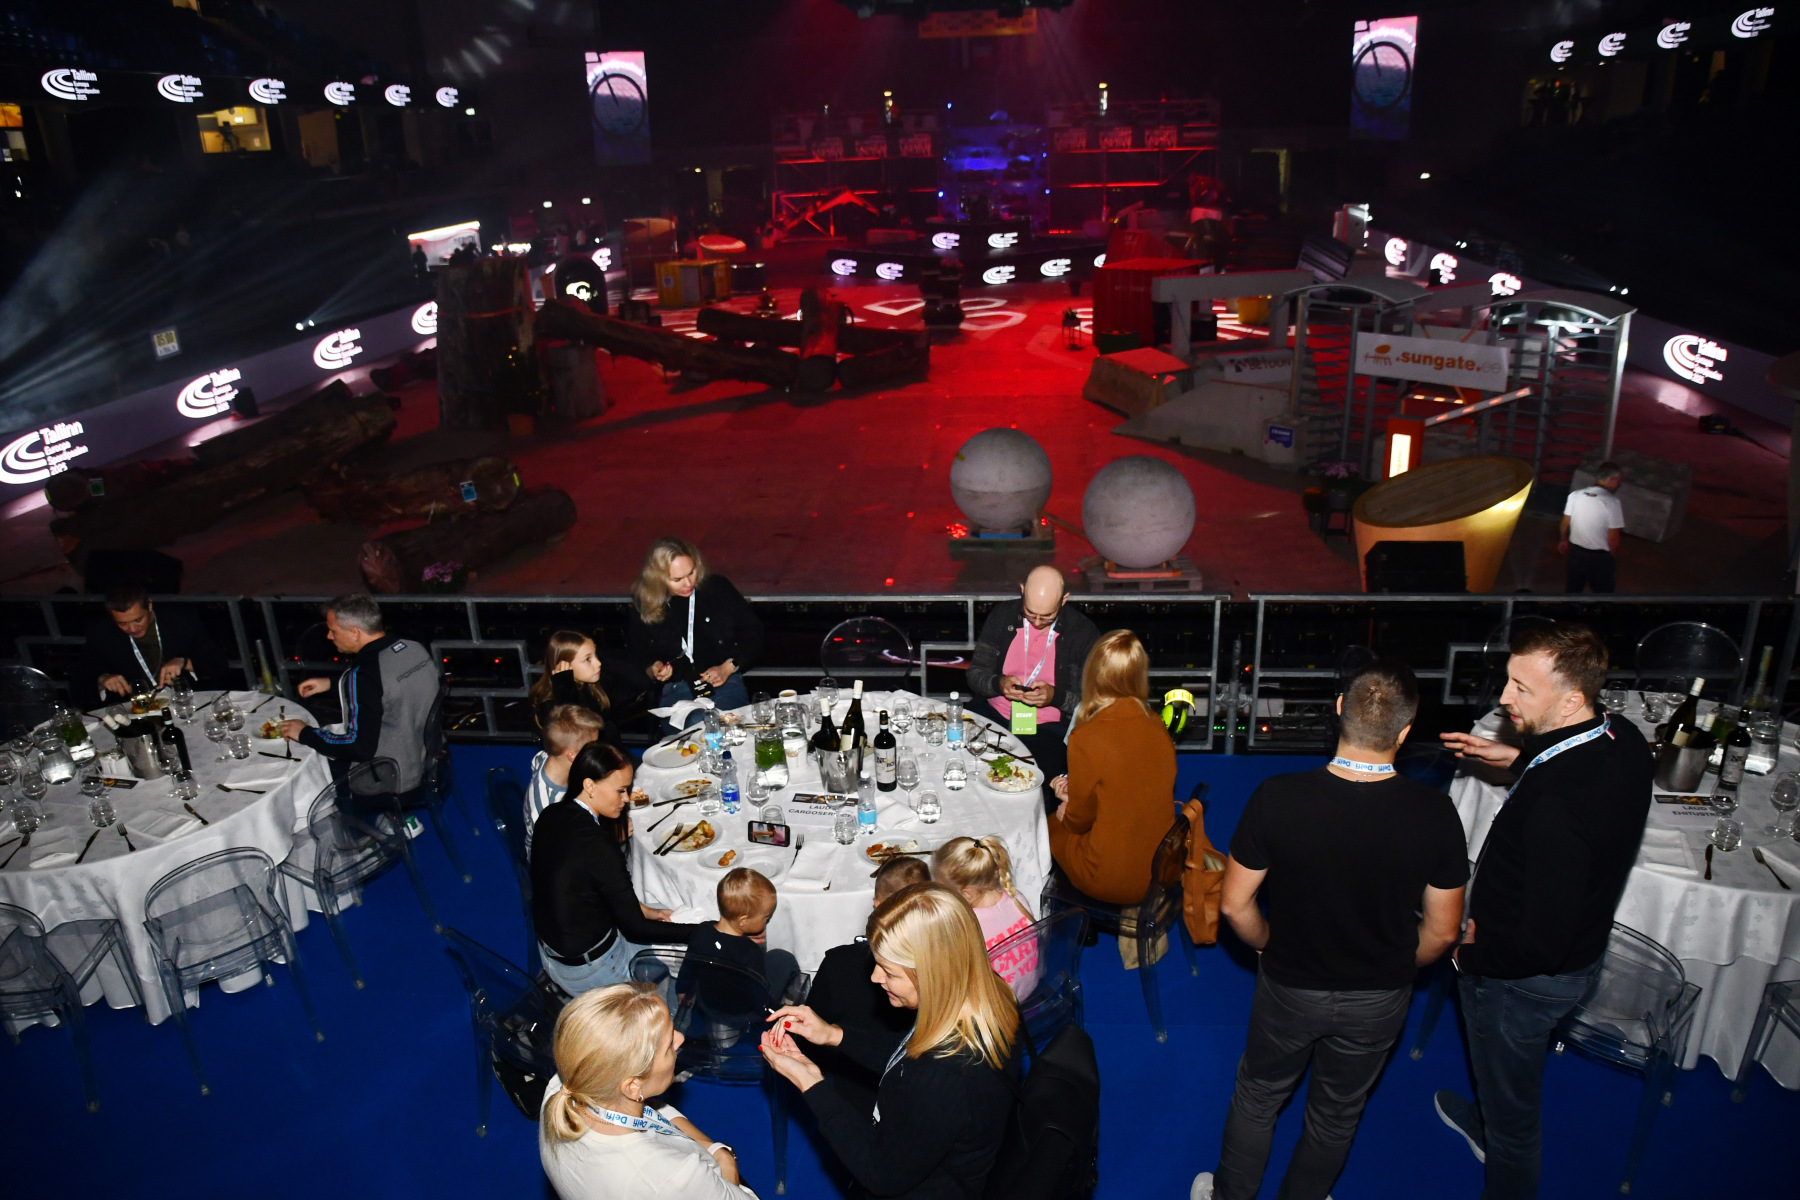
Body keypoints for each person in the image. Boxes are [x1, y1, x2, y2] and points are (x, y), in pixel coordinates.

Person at [1189, 659, 1468, 1200]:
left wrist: (1267, 942)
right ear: (1405, 732)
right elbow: (1442, 933)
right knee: (1338, 1113)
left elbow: (1235, 906)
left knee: (1258, 1096)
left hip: (1291, 984)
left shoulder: (1277, 796)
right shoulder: (1437, 814)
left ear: (1339, 709)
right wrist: (1395, 965)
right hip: (1380, 997)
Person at [1433, 623, 1653, 1200]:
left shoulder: (1557, 807)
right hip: (1579, 950)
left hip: (1519, 980)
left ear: (1572, 699)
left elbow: (1541, 945)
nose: (1504, 698)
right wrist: (1517, 756)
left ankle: (1500, 1147)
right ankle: (1489, 1115)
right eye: (1509, 680)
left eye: (1522, 689)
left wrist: (1464, 957)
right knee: (1504, 1077)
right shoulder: (1624, 737)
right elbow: (1568, 757)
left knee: (1514, 1118)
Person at [759, 883, 1020, 1200]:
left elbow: (880, 1173)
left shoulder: (944, 1076)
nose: (874, 978)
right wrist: (833, 1035)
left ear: (933, 974)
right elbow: (907, 1052)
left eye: (889, 971)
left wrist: (810, 1081)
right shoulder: (984, 995)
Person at [539, 983, 753, 1200]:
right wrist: (727, 1161)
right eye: (668, 1045)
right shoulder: (671, 1177)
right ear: (633, 1087)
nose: (680, 1038)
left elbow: (651, 1114)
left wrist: (712, 1149)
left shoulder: (565, 1085)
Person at [532, 741, 705, 996]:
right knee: (683, 971)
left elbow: (580, 886)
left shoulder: (552, 814)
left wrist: (644, 910)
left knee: (663, 914)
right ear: (590, 785)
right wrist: (706, 931)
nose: (626, 799)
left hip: (553, 955)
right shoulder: (599, 846)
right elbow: (636, 929)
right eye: (621, 791)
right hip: (593, 968)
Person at [1047, 630, 1178, 907]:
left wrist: (1067, 806)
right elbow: (1130, 789)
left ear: (1093, 672)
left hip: (1109, 877)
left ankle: (1054, 917)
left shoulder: (1086, 736)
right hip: (1160, 871)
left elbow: (1078, 821)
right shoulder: (1157, 725)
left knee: (1047, 824)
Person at [807, 855, 931, 1115]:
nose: (876, 977)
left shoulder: (838, 963)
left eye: (890, 973)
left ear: (876, 905)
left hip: (861, 1094)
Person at [278, 594, 439, 793]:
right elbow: (392, 686)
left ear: (355, 632)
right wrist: (332, 683)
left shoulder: (364, 675)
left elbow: (358, 747)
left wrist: (305, 733)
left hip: (391, 779)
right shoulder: (413, 647)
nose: (329, 637)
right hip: (430, 759)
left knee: (309, 765)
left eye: (333, 630)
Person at [966, 565, 1099, 796]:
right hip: (993, 715)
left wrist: (1054, 697)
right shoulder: (1002, 616)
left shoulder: (1082, 633)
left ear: (1064, 599)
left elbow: (1091, 702)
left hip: (1048, 729)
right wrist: (999, 684)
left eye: (1047, 617)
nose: (1037, 622)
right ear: (1022, 590)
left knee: (1031, 785)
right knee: (963, 767)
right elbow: (975, 675)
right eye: (1030, 613)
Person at [626, 537, 763, 730]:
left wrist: (728, 667)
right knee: (696, 724)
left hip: (725, 683)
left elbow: (754, 634)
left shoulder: (717, 588)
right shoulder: (645, 604)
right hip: (677, 690)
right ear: (657, 578)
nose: (688, 583)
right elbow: (637, 655)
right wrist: (654, 669)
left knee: (722, 725)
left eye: (691, 572)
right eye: (677, 580)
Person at [74, 584, 228, 704]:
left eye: (138, 620)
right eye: (122, 624)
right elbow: (79, 682)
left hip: (187, 701)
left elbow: (219, 665)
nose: (132, 629)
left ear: (149, 605)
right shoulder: (102, 632)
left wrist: (184, 662)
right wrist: (102, 679)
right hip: (136, 710)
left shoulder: (180, 619)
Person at [677, 868, 801, 1014]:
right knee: (783, 958)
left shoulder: (702, 931)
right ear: (743, 920)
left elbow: (689, 965)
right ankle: (793, 1000)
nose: (767, 921)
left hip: (708, 1004)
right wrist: (778, 1011)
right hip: (741, 1014)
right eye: (765, 917)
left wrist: (682, 989)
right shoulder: (750, 952)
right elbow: (759, 996)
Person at [932, 836, 1041, 1000]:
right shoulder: (1017, 897)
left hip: (999, 1005)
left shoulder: (966, 925)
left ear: (967, 895)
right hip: (1031, 989)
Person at [526, 705, 605, 856]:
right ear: (573, 755)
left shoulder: (547, 756)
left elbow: (536, 761)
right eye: (593, 746)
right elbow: (557, 856)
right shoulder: (547, 807)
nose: (597, 750)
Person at [531, 630, 621, 746]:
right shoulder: (550, 706)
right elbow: (577, 738)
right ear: (564, 666)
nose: (598, 663)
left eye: (596, 654)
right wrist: (564, 688)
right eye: (587, 659)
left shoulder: (594, 690)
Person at [1560, 462, 1625, 593]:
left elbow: (1565, 522)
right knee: (1603, 592)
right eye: (1618, 481)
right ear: (1613, 479)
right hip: (1599, 557)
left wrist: (1563, 540)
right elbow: (1613, 536)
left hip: (1576, 553)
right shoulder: (1612, 502)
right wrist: (1612, 557)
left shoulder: (1575, 495)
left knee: (1573, 589)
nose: (1618, 484)